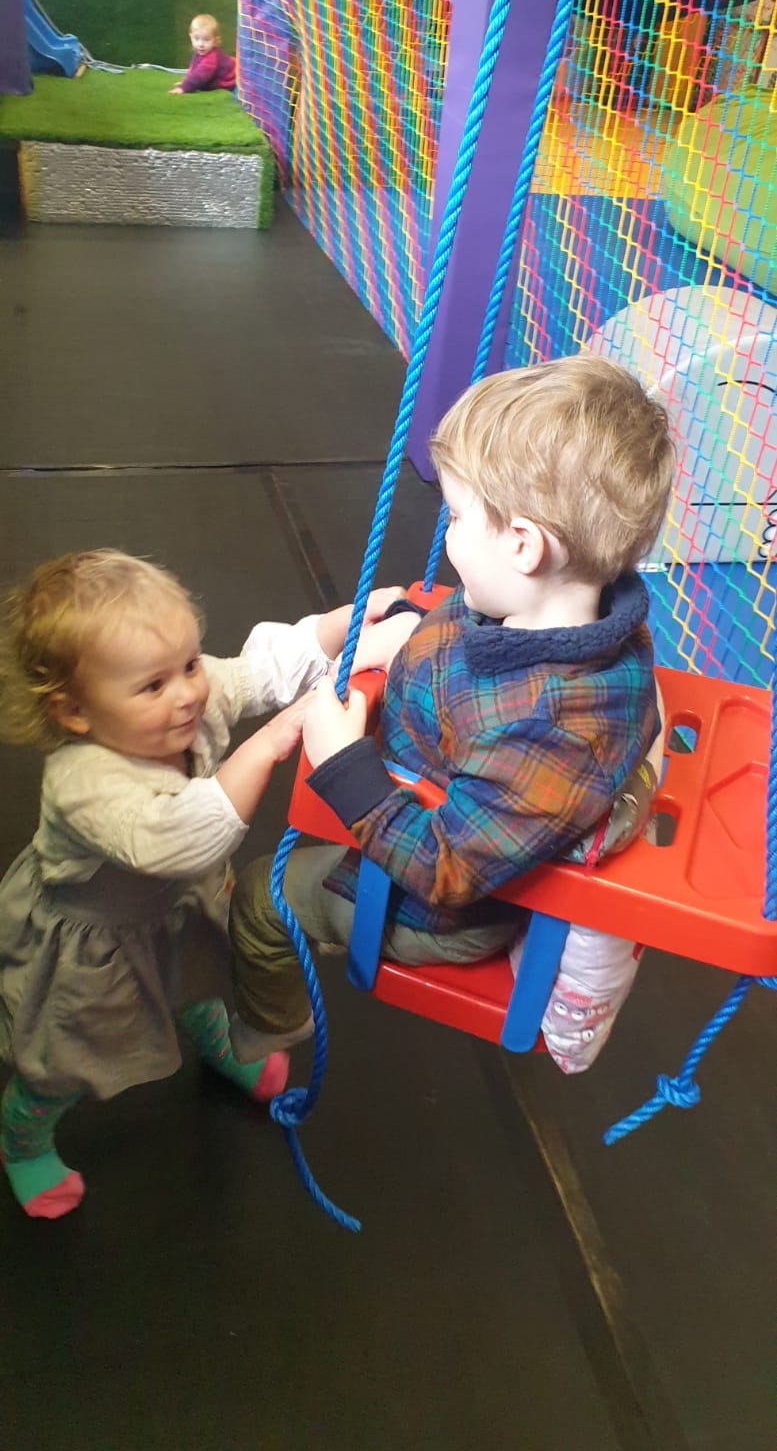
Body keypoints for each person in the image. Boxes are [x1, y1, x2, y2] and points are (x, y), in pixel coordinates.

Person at [227, 355, 675, 1064]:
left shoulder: (551, 729)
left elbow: (445, 869)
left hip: (442, 910)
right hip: (456, 792)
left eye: (458, 517)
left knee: (259, 897)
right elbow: (474, 639)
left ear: (523, 545)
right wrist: (411, 627)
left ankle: (262, 1035)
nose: (447, 535)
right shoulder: (583, 614)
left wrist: (344, 767)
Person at [0, 549, 402, 1218]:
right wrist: (266, 745)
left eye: (188, 664)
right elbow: (179, 837)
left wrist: (346, 624)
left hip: (179, 909)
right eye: (153, 685)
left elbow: (256, 671)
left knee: (199, 977)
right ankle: (23, 1137)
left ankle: (217, 1046)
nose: (188, 691)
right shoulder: (82, 782)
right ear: (74, 711)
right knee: (65, 1060)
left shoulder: (186, 696)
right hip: (95, 949)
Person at [169, 14, 236, 96]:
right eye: (196, 38)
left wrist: (185, 87)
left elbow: (200, 75)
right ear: (191, 37)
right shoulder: (199, 52)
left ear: (215, 41)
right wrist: (186, 81)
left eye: (206, 40)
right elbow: (194, 68)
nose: (200, 44)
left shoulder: (211, 58)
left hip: (233, 78)